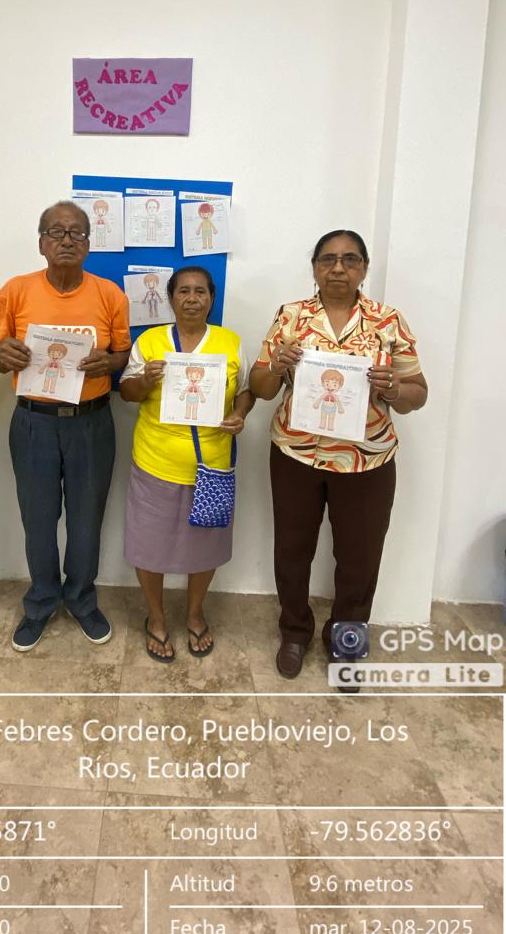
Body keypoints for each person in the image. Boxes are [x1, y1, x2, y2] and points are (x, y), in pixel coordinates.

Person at [249, 229, 428, 684]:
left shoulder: (388, 321)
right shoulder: (291, 316)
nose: (338, 268)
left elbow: (418, 393)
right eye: (328, 259)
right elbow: (261, 387)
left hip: (367, 462)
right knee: (292, 551)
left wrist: (395, 388)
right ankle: (294, 632)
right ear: (314, 267)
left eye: (350, 259)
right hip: (296, 456)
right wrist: (277, 365)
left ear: (363, 268)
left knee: (360, 559)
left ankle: (347, 640)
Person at [0, 201, 131, 652]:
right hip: (34, 422)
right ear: (41, 243)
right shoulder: (15, 291)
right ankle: (40, 603)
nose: (67, 240)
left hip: (91, 423)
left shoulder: (110, 294)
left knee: (87, 520)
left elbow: (124, 354)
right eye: (57, 232)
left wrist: (109, 363)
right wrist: (1, 355)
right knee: (38, 520)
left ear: (89, 244)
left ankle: (82, 600)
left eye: (77, 233)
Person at [119, 266, 253, 661]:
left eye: (200, 292)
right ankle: (157, 617)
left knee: (205, 546)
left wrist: (240, 414)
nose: (192, 298)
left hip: (212, 464)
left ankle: (195, 614)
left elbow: (245, 391)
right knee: (149, 544)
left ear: (211, 298)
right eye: (183, 291)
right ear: (171, 298)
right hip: (154, 462)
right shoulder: (150, 341)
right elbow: (127, 392)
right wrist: (145, 380)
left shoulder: (230, 342)